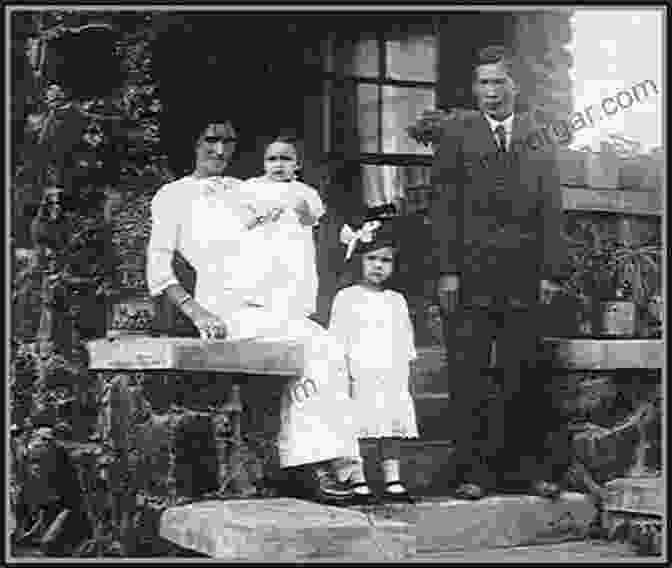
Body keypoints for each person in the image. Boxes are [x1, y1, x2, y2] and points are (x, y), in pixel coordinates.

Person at [145, 117, 361, 505]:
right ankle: (317, 463)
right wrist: (197, 313)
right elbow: (159, 270)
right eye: (210, 140)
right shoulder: (172, 196)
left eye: (228, 142)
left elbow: (297, 228)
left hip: (270, 303)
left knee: (329, 345)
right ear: (192, 144)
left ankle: (332, 459)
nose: (220, 150)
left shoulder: (246, 188)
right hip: (224, 308)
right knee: (316, 349)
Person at [429, 45, 571, 500]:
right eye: (482, 83)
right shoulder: (457, 133)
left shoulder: (538, 135)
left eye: (497, 83)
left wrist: (550, 272)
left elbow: (551, 207)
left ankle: (526, 471)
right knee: (469, 371)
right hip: (470, 274)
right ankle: (471, 472)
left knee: (524, 370)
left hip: (525, 274)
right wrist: (448, 270)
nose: (489, 93)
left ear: (515, 86)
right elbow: (444, 207)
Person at [329, 205, 419, 504]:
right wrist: (343, 372)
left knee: (389, 424)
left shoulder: (397, 300)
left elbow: (405, 339)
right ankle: (358, 478)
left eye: (385, 260)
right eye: (372, 259)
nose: (378, 266)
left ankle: (392, 478)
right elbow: (338, 339)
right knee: (360, 426)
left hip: (389, 371)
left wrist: (403, 371)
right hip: (358, 371)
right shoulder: (347, 298)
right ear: (359, 261)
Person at [237, 136, 325, 318]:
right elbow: (240, 225)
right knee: (259, 305)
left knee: (291, 308)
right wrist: (262, 217)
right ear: (263, 163)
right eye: (272, 159)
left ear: (297, 165)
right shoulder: (250, 188)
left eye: (285, 159)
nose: (278, 164)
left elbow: (311, 222)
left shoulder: (306, 192)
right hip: (261, 254)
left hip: (293, 256)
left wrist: (303, 212)